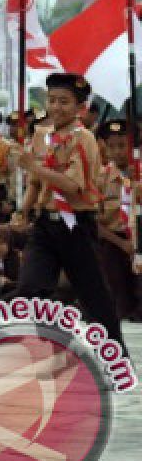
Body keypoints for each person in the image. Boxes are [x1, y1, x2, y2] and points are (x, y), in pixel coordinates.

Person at [14, 74, 129, 353]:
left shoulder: (84, 139)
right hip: (45, 224)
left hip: (76, 224)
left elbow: (73, 187)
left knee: (95, 296)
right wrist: (22, 211)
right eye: (52, 100)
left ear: (80, 107)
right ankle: (46, 347)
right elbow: (36, 183)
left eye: (64, 102)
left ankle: (116, 355)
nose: (56, 107)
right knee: (30, 287)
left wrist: (35, 167)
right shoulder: (42, 136)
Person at [96, 120, 139, 321]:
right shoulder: (102, 178)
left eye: (123, 146)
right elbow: (94, 222)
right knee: (120, 299)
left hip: (139, 238)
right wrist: (122, 243)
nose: (118, 152)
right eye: (112, 147)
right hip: (114, 241)